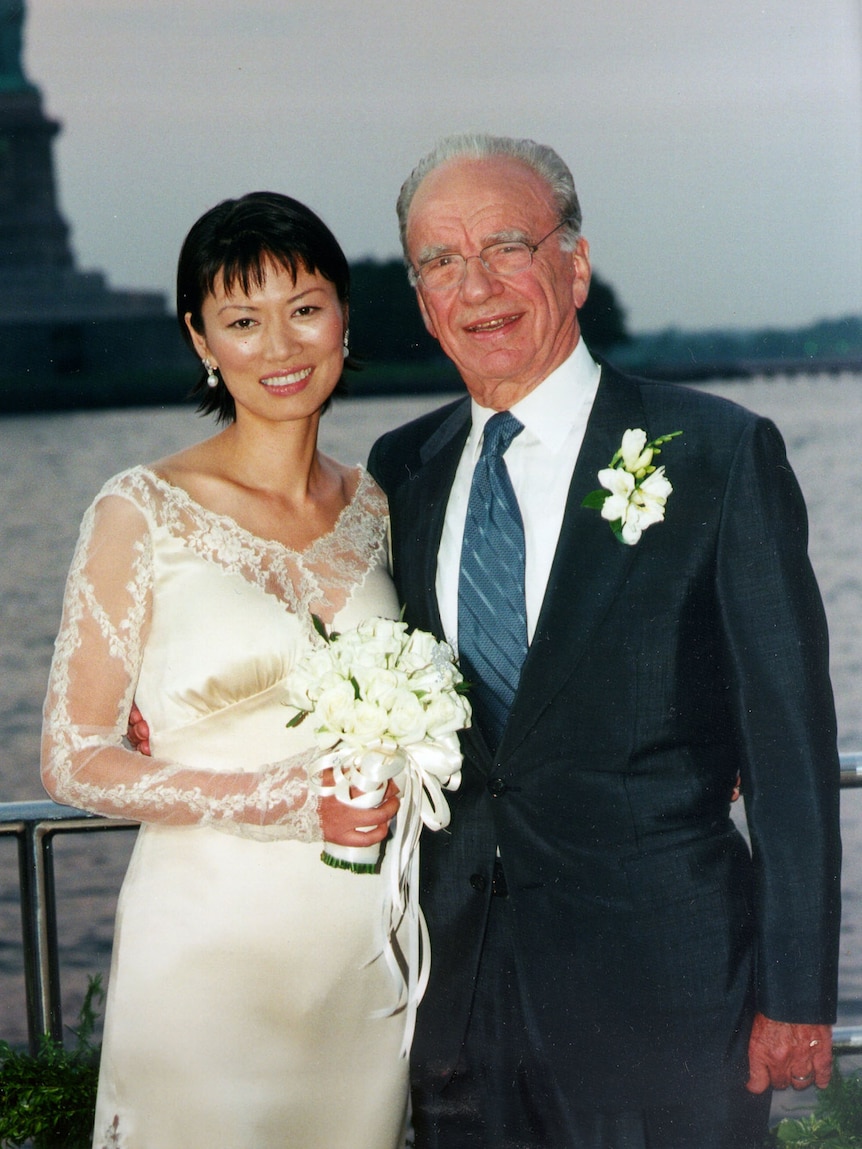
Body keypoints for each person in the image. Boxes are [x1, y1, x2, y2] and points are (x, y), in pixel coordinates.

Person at [366, 134, 842, 1149]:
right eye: (440, 263)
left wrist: (796, 993)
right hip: (458, 1014)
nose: (476, 285)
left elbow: (788, 755)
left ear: (573, 266)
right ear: (419, 300)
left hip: (669, 1005)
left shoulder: (715, 453)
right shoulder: (400, 468)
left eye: (505, 246)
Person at [41, 192, 409, 1149]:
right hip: (209, 958)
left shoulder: (378, 506)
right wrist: (283, 797)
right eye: (243, 320)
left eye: (306, 307)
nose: (280, 346)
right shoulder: (140, 511)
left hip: (367, 961)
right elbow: (74, 757)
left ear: (342, 319)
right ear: (202, 340)